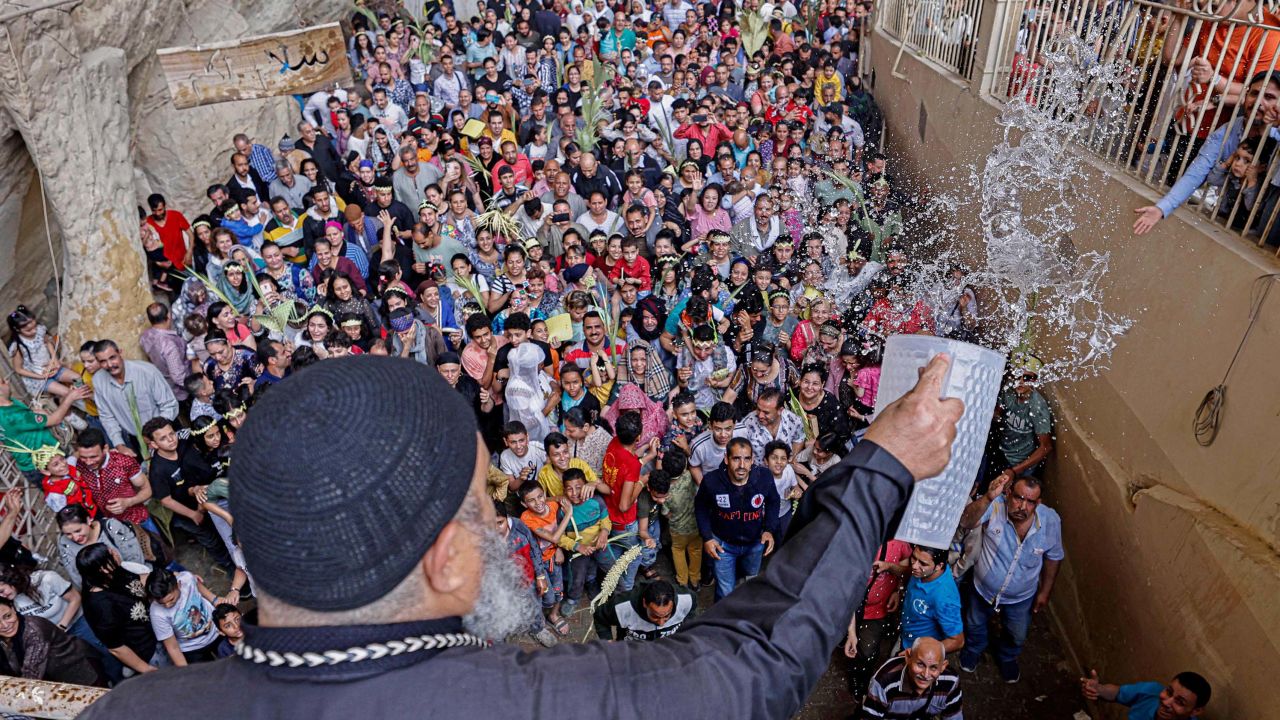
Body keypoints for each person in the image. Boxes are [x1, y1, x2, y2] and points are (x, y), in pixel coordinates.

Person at [80, 353, 961, 719]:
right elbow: (758, 663)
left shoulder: (133, 710)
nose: (500, 520)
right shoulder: (522, 701)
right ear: (445, 556)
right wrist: (884, 464)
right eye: (484, 504)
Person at [957, 473, 1063, 682]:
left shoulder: (1050, 521)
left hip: (1021, 597)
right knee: (975, 623)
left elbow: (1054, 557)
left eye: (1030, 501)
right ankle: (974, 649)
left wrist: (1045, 591)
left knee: (1017, 634)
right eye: (1018, 498)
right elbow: (966, 521)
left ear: (1038, 503)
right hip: (983, 590)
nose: (1022, 506)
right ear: (1008, 494)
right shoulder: (995, 506)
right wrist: (987, 497)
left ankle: (1007, 657)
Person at [695, 438, 779, 601]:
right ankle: (723, 621)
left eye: (746, 459)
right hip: (723, 546)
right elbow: (701, 507)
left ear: (752, 460)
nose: (742, 465)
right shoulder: (712, 481)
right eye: (736, 458)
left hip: (755, 544)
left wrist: (769, 529)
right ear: (726, 459)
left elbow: (773, 501)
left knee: (750, 580)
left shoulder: (764, 477)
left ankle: (744, 615)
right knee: (725, 591)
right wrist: (707, 538)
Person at [90, 339, 179, 455]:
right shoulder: (98, 380)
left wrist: (155, 434)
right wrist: (119, 445)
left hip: (166, 434)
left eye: (112, 358)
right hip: (136, 440)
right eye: (103, 361)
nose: (110, 365)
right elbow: (107, 416)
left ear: (120, 353)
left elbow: (169, 404)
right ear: (98, 362)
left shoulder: (147, 371)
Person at [0, 596, 106, 687]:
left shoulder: (34, 630)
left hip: (79, 669)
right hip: (54, 680)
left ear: (13, 609)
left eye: (8, 616)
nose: (5, 625)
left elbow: (31, 675)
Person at [858, 637, 962, 719]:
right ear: (908, 657)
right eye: (920, 664)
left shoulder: (951, 681)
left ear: (943, 666)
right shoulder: (884, 681)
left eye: (933, 667)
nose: (925, 675)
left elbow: (954, 716)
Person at [900, 544, 964, 654]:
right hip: (905, 635)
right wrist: (889, 567)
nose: (914, 566)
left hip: (917, 652)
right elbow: (908, 573)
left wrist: (919, 651)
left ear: (939, 566)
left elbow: (958, 641)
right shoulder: (923, 571)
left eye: (922, 563)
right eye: (914, 557)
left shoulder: (944, 598)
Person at [1079, 669, 1212, 720]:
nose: (1166, 703)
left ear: (1196, 711)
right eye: (1169, 692)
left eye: (1180, 702)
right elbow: (1118, 693)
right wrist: (1099, 689)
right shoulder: (1151, 691)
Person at [593, 580, 695, 641]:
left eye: (666, 616)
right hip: (632, 652)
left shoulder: (687, 598)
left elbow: (691, 613)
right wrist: (608, 641)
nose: (661, 623)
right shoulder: (621, 606)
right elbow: (600, 618)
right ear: (644, 603)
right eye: (655, 616)